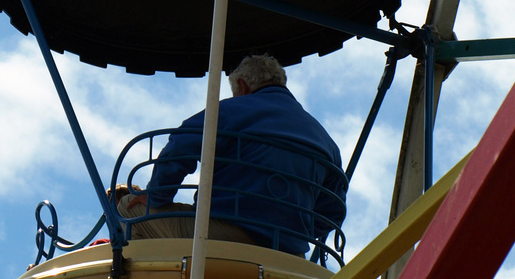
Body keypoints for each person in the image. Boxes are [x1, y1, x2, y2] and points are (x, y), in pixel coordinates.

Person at [118, 54, 346, 257]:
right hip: (288, 253)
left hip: (223, 234)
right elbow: (333, 208)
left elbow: (181, 145)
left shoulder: (232, 111)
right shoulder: (325, 139)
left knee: (129, 208)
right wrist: (293, 234)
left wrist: (157, 196)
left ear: (241, 85)